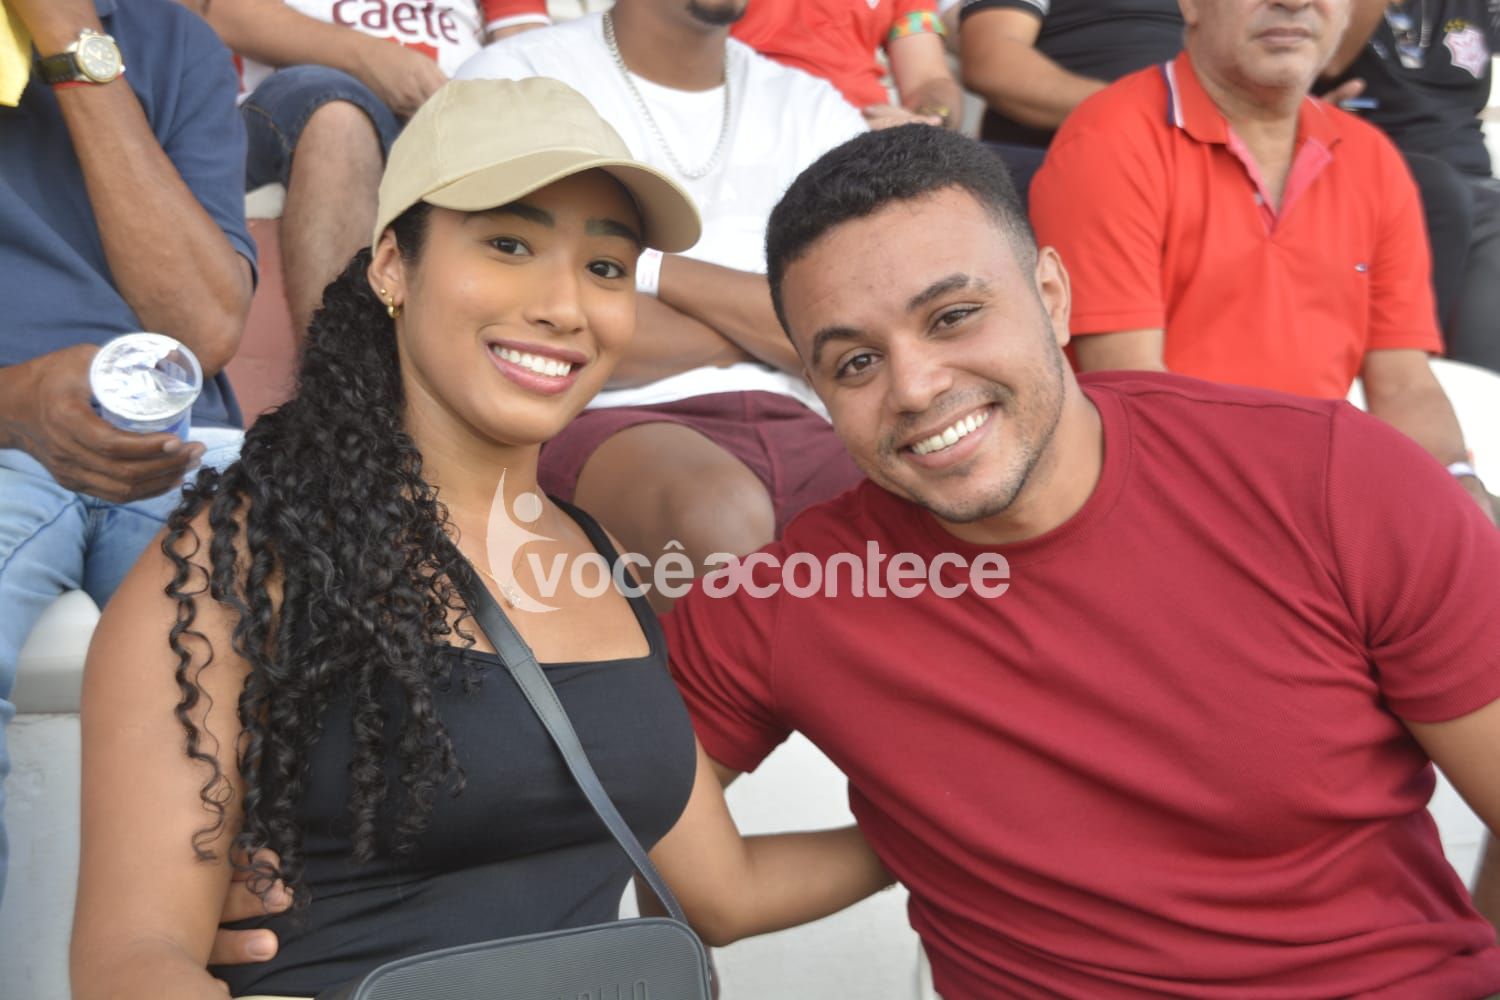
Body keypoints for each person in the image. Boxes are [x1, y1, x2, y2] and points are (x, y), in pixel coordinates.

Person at [69, 77, 889, 1000]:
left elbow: (723, 893)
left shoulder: (600, 557)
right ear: (393, 264)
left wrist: (948, 820)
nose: (564, 306)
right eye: (508, 244)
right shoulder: (241, 558)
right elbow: (130, 964)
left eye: (606, 267)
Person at [663, 123, 1500, 997]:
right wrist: (920, 832)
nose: (914, 387)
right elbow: (708, 891)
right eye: (857, 362)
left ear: (1053, 296)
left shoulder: (1328, 480)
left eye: (953, 317)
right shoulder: (799, 594)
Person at [456, 0, 869, 606]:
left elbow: (860, 327)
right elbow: (530, 322)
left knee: (929, 522)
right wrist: (775, 325)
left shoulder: (814, 109)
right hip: (606, 414)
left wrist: (647, 268)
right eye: (611, 266)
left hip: (811, 421)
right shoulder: (519, 80)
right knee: (714, 518)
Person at [1028, 0, 1496, 519]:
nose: (1294, 2)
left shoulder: (1373, 160)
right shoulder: (1110, 140)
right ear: (1191, 5)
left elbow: (1405, 385)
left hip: (1311, 498)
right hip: (1163, 506)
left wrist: (1459, 482)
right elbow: (1137, 399)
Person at [0, 0, 254, 905]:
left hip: (180, 443)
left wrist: (70, 37)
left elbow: (202, 327)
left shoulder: (167, 38)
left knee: (324, 671)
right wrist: (14, 402)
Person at [178, 0, 520, 336]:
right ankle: (336, 367)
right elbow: (212, 9)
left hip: (453, 110)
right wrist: (368, 57)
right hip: (294, 98)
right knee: (337, 120)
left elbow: (525, 41)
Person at [956, 0, 1380, 194]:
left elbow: (1328, 56)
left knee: (1394, 179)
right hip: (1086, 155)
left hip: (1233, 142)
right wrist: (1164, 111)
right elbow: (993, 62)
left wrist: (1281, 121)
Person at [1327, 0, 1500, 373]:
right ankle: (1415, 373)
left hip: (1474, 177)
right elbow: (1327, 65)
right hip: (1373, 165)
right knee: (1452, 200)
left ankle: (1474, 392)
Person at [479, 0, 965, 129]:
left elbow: (929, 78)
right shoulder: (520, 67)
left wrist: (927, 120)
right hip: (721, 109)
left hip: (860, 130)